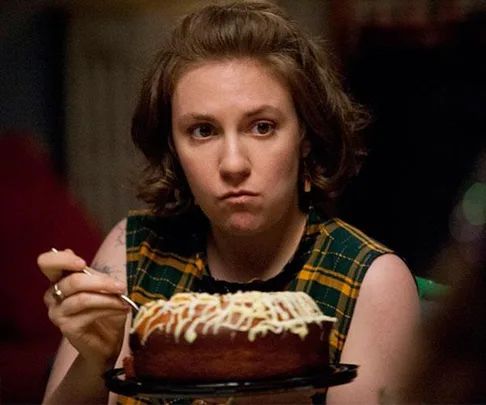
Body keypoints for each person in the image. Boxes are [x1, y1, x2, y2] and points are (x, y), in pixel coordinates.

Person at [37, 1, 420, 404]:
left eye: (262, 127)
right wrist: (94, 360)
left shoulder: (369, 281)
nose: (233, 164)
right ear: (173, 146)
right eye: (203, 130)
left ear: (305, 136)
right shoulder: (133, 252)